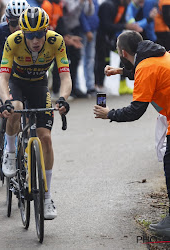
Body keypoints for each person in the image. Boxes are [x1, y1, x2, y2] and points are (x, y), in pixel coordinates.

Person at [93, 30, 170, 236]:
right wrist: (120, 72)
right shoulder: (158, 55)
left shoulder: (145, 67)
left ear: (123, 52)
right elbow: (142, 71)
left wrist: (109, 114)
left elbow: (136, 111)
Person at [0, 7, 71, 219]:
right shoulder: (13, 41)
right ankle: (11, 153)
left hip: (40, 85)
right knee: (17, 109)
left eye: (40, 34)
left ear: (46, 30)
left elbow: (65, 76)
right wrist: (6, 102)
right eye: (30, 35)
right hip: (17, 83)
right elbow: (3, 79)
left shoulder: (56, 41)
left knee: (46, 138)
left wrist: (64, 98)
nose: (36, 40)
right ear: (23, 33)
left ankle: (47, 197)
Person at [0, 0, 30, 155]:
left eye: (22, 23)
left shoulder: (33, 33)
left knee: (24, 106)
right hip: (1, 66)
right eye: (14, 23)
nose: (18, 28)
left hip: (22, 70)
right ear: (7, 20)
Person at [94, 0, 142, 95]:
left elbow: (121, 22)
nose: (130, 2)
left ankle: (122, 85)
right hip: (101, 38)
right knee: (101, 61)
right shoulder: (108, 5)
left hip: (112, 38)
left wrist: (130, 27)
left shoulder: (123, 6)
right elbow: (105, 25)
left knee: (124, 56)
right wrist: (125, 25)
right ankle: (98, 85)